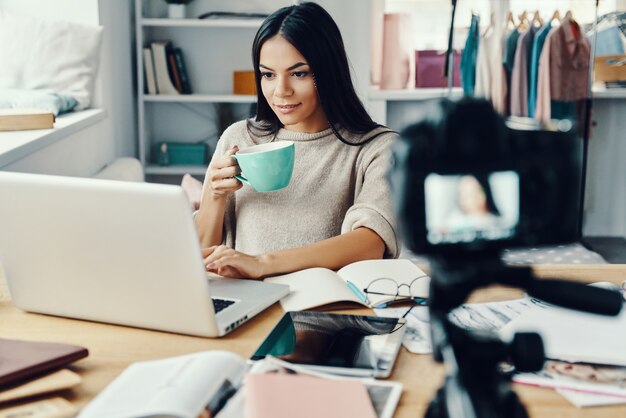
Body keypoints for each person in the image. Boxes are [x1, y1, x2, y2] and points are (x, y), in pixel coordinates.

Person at [194, 2, 399, 279]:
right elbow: (201, 259)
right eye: (268, 75)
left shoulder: (377, 149)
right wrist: (213, 197)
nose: (281, 91)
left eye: (299, 73)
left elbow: (370, 242)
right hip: (244, 310)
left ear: (328, 72)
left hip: (322, 316)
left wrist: (263, 263)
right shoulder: (239, 138)